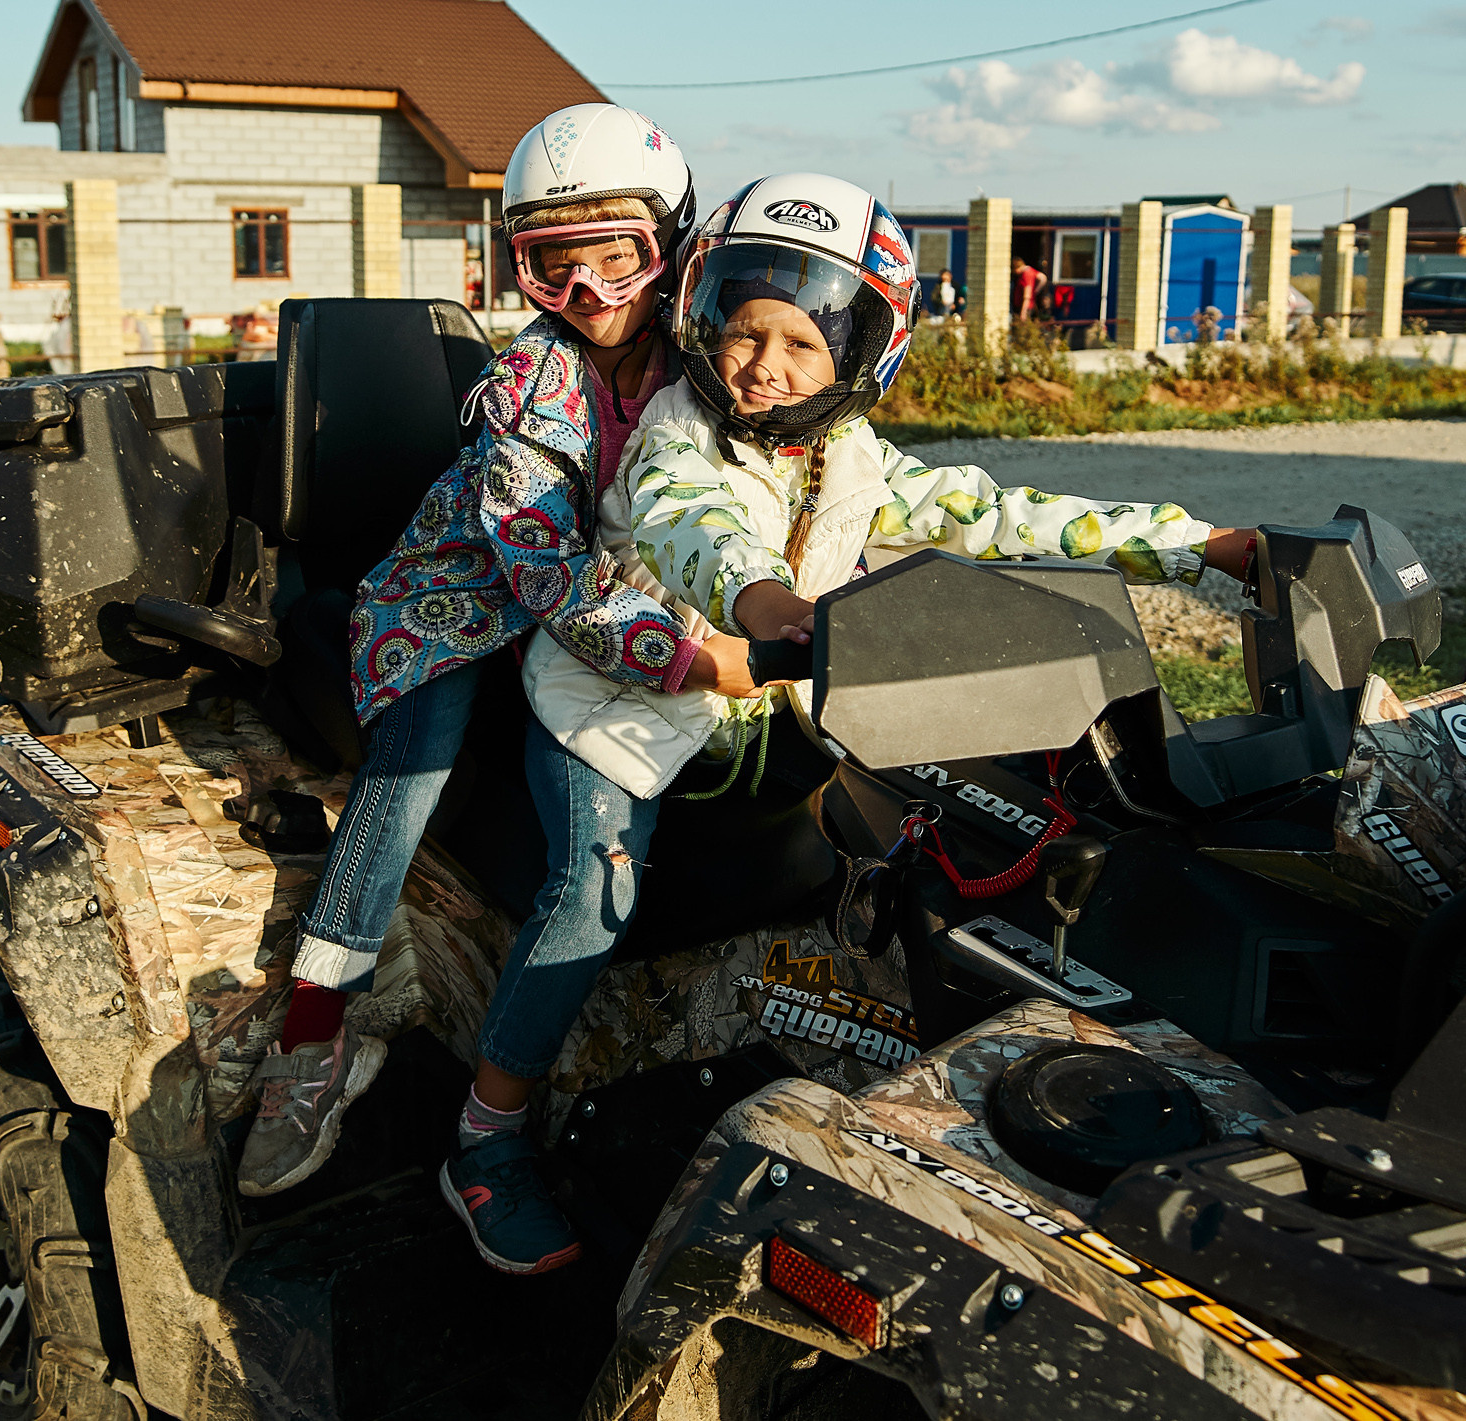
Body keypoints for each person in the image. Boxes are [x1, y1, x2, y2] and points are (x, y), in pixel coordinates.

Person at [500, 176, 1261, 1270]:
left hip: (755, 713)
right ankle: (492, 1130)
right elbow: (697, 531)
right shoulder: (680, 433)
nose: (762, 364)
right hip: (616, 710)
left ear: (859, 359)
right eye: (742, 330)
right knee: (590, 893)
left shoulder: (845, 451)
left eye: (800, 344)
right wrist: (775, 611)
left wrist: (1202, 544)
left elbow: (994, 509)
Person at [235, 105, 759, 1207]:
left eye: (615, 253)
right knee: (419, 748)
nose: (589, 292)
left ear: (671, 241)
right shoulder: (527, 387)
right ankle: (316, 1026)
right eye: (549, 265)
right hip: (462, 596)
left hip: (634, 613)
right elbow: (546, 580)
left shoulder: (717, 361)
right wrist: (702, 660)